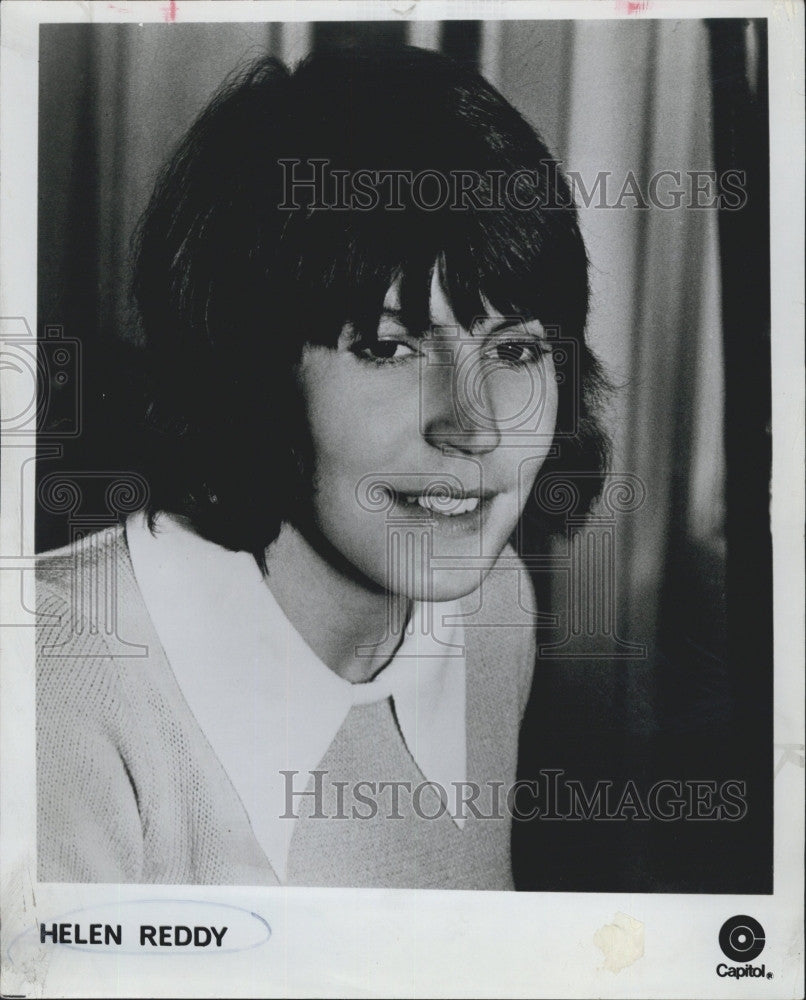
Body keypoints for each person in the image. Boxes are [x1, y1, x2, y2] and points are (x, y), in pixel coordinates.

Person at [36, 44, 608, 888]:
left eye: (516, 348)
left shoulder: (492, 608)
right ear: (246, 371)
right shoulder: (57, 684)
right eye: (388, 347)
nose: (476, 427)